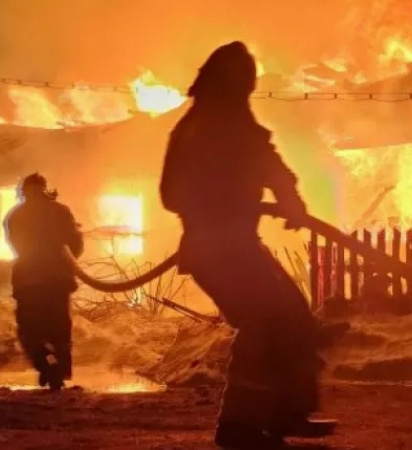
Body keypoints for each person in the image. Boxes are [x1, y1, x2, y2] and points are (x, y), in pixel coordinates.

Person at [159, 41, 335, 448]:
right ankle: (238, 425)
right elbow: (171, 195)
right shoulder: (202, 126)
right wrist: (226, 201)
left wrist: (290, 200)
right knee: (263, 322)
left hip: (237, 243)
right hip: (214, 247)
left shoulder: (233, 119)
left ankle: (287, 412)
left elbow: (267, 161)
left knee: (294, 315)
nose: (249, 89)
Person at [4, 173, 84, 391]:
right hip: (58, 281)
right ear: (45, 189)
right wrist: (65, 261)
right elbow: (75, 244)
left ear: (24, 191)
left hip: (29, 283)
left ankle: (47, 365)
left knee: (31, 332)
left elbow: (17, 245)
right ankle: (57, 369)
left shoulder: (16, 215)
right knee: (59, 329)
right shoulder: (61, 211)